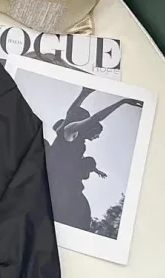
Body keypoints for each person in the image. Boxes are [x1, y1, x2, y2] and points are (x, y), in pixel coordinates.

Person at [46, 88, 142, 230]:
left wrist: (84, 93)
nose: (96, 137)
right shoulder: (68, 132)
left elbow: (71, 113)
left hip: (68, 178)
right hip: (58, 179)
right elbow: (91, 118)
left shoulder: (78, 142)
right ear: (88, 127)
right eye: (96, 133)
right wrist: (122, 102)